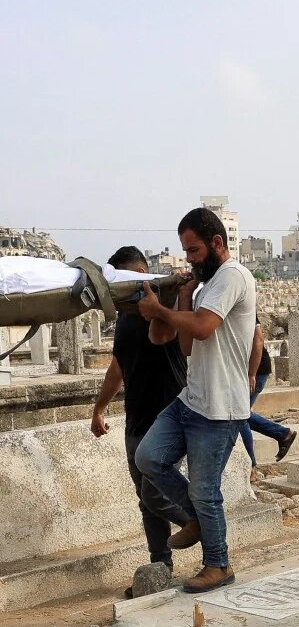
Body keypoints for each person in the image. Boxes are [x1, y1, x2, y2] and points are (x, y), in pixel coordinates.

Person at [134, 207, 256, 593]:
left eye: (194, 250)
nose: (188, 258)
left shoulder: (233, 276)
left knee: (206, 490)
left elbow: (203, 329)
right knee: (148, 457)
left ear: (217, 243)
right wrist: (182, 298)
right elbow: (183, 344)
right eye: (185, 251)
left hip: (221, 407)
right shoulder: (206, 287)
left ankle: (218, 564)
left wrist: (160, 310)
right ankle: (196, 519)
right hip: (193, 399)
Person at [90, 247, 191, 596]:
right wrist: (99, 408)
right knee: (146, 500)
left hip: (167, 418)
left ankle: (203, 526)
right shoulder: (125, 316)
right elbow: (118, 367)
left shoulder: (164, 307)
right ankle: (160, 570)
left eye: (133, 278)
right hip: (136, 421)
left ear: (146, 273)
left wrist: (166, 301)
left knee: (155, 494)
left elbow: (164, 337)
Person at [239, 328, 298, 481]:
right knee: (240, 414)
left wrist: (251, 373)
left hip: (254, 371)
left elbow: (258, 338)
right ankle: (282, 434)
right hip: (248, 370)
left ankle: (250, 467)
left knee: (240, 416)